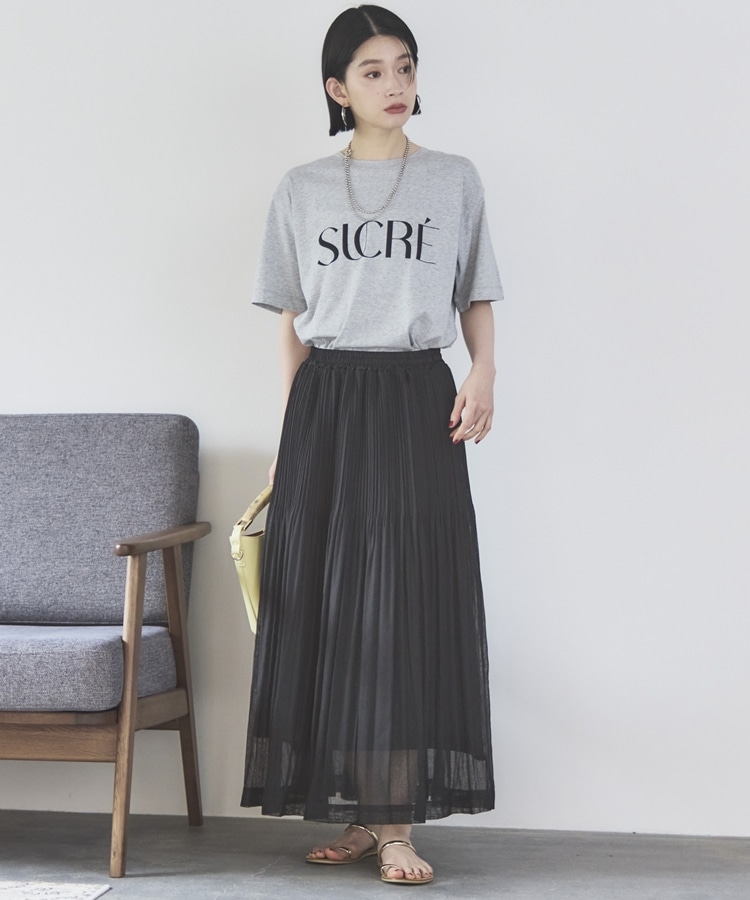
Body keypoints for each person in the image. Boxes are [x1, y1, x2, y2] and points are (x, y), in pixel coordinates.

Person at [242, 4, 502, 886]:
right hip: (327, 400)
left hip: (415, 396)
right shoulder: (301, 188)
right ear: (337, 88)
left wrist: (483, 373)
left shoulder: (454, 179)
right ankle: (360, 811)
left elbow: (476, 293)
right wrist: (288, 438)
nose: (396, 84)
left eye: (406, 66)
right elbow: (290, 322)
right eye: (374, 71)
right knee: (330, 603)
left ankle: (396, 824)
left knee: (403, 598)